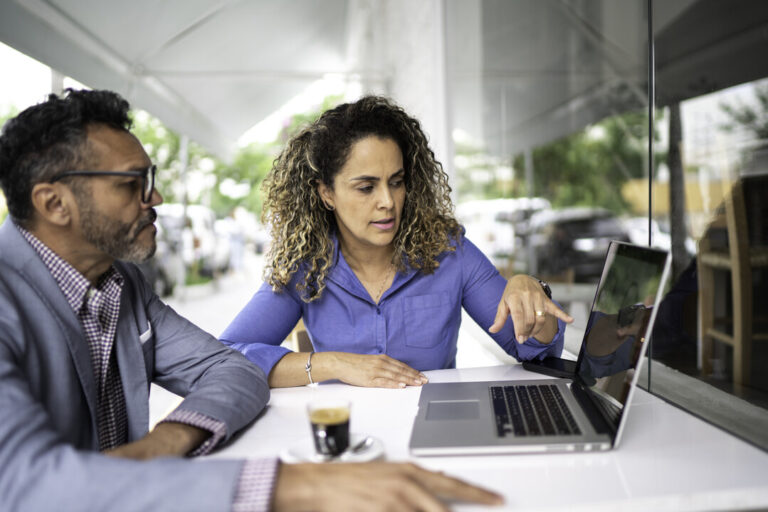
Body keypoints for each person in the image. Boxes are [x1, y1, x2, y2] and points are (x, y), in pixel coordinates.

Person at [0, 89, 502, 511]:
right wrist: (288, 483)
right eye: (134, 184)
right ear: (53, 203)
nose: (156, 198)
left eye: (396, 182)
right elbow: (25, 485)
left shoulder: (122, 285)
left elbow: (230, 370)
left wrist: (159, 446)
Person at [221, 95, 574, 389]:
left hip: (437, 434)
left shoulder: (449, 251)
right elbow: (226, 358)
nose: (387, 202)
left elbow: (533, 351)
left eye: (396, 181)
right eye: (366, 187)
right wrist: (334, 364)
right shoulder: (306, 266)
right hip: (350, 443)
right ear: (327, 193)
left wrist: (532, 295)